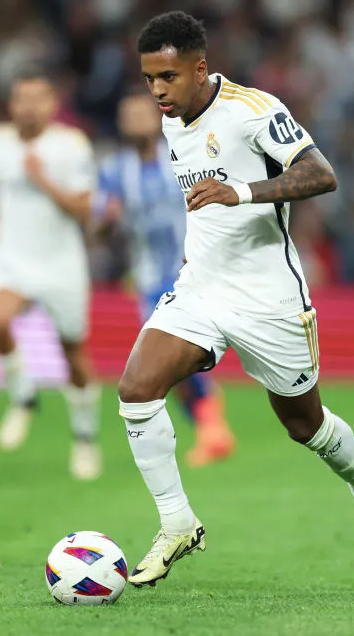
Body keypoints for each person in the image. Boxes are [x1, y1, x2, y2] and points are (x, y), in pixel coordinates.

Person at [118, 11, 354, 587]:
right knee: (137, 390)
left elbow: (322, 175)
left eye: (167, 77)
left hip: (269, 296)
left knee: (304, 425)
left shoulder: (252, 110)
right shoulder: (170, 122)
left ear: (199, 68)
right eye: (149, 79)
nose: (157, 91)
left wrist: (240, 191)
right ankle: (177, 523)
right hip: (200, 288)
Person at [96, 92, 236, 468]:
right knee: (166, 366)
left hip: (191, 268)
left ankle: (212, 426)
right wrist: (105, 221)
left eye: (142, 112)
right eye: (129, 115)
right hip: (146, 277)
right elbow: (97, 229)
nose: (136, 120)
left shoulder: (181, 154)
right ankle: (211, 427)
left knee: (169, 360)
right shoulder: (113, 170)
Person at [0, 70, 102, 480]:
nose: (26, 107)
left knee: (73, 353)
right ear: (11, 104)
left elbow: (84, 211)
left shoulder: (70, 145)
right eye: (19, 99)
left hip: (60, 262)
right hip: (11, 255)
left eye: (36, 99)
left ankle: (84, 438)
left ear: (51, 104)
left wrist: (42, 178)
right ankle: (23, 395)